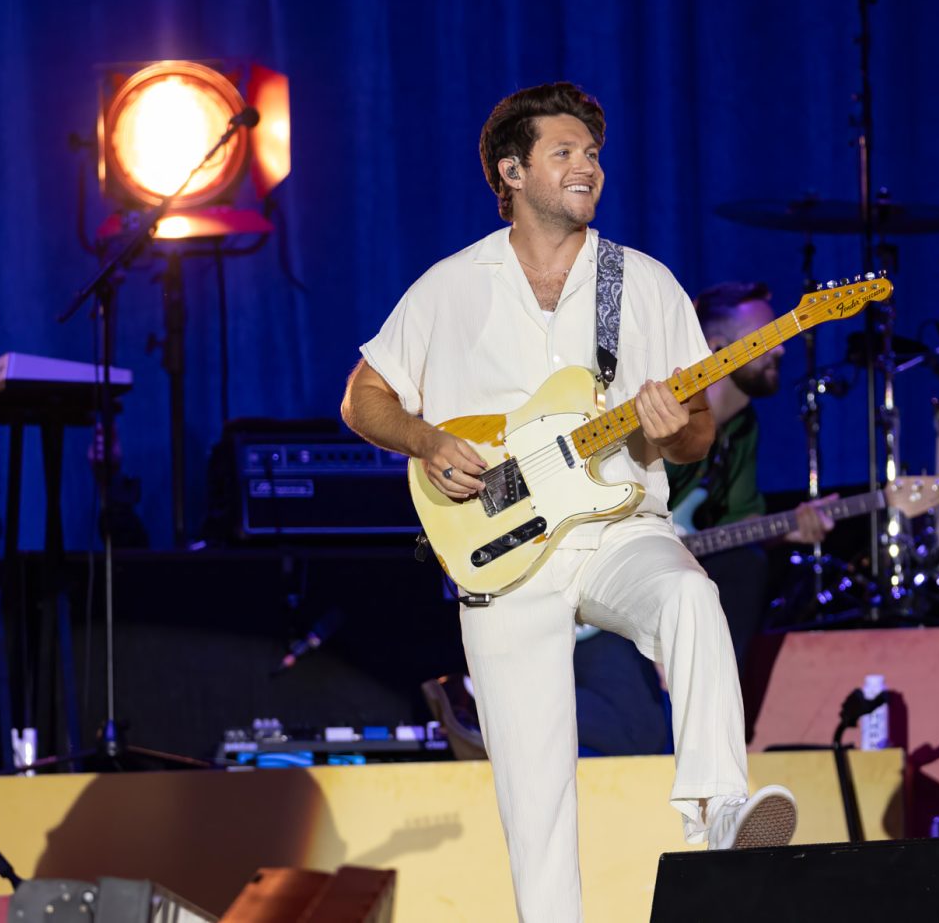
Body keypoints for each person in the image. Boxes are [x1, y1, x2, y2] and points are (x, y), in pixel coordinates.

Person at [340, 82, 796, 921]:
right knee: (535, 798)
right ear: (511, 172)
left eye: (593, 153)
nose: (588, 165)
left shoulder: (643, 282)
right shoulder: (451, 286)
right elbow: (363, 398)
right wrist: (427, 441)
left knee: (691, 597)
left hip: (618, 526)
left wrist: (672, 431)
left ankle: (720, 812)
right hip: (502, 554)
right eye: (565, 152)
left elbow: (696, 433)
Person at [667, 281, 834, 670]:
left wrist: (788, 528)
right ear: (716, 349)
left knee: (745, 561)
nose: (780, 349)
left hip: (680, 563)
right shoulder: (670, 414)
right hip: (629, 569)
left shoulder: (743, 426)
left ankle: (717, 691)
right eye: (765, 338)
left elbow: (735, 525)